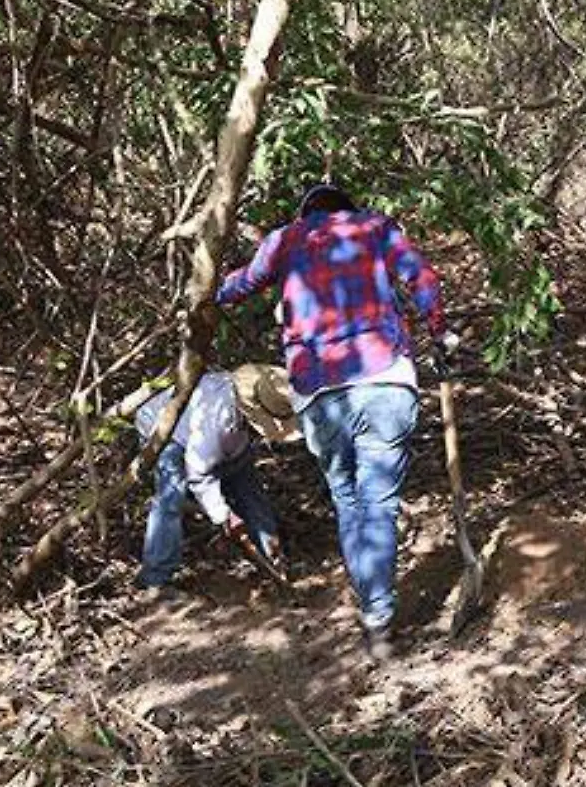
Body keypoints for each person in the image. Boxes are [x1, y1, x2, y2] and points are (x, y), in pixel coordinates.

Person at [215, 181, 450, 661]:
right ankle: (378, 618)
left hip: (318, 391)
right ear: (349, 207)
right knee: (379, 503)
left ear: (307, 213)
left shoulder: (284, 240)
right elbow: (421, 278)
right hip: (384, 377)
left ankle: (372, 607)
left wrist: (207, 292)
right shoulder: (377, 227)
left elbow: (242, 284)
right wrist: (441, 332)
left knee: (347, 499)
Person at [135, 362, 296, 594]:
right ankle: (155, 579)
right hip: (166, 429)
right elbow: (198, 473)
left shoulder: (245, 412)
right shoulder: (216, 420)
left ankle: (273, 559)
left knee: (251, 492)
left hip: (217, 442)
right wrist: (223, 515)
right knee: (171, 497)